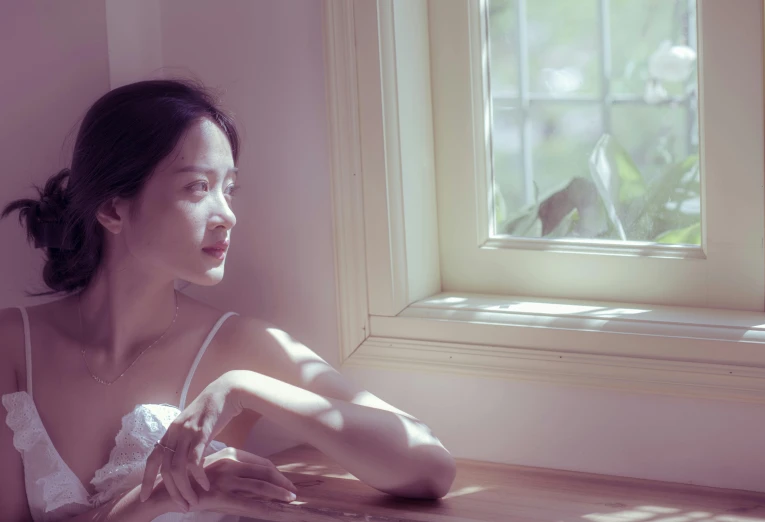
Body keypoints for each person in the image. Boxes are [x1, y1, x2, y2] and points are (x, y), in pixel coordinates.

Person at [0, 78, 456, 522]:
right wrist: (151, 500)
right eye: (198, 187)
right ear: (113, 209)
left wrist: (243, 388)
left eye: (229, 188)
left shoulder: (241, 347)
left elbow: (431, 468)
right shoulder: (12, 346)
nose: (228, 215)